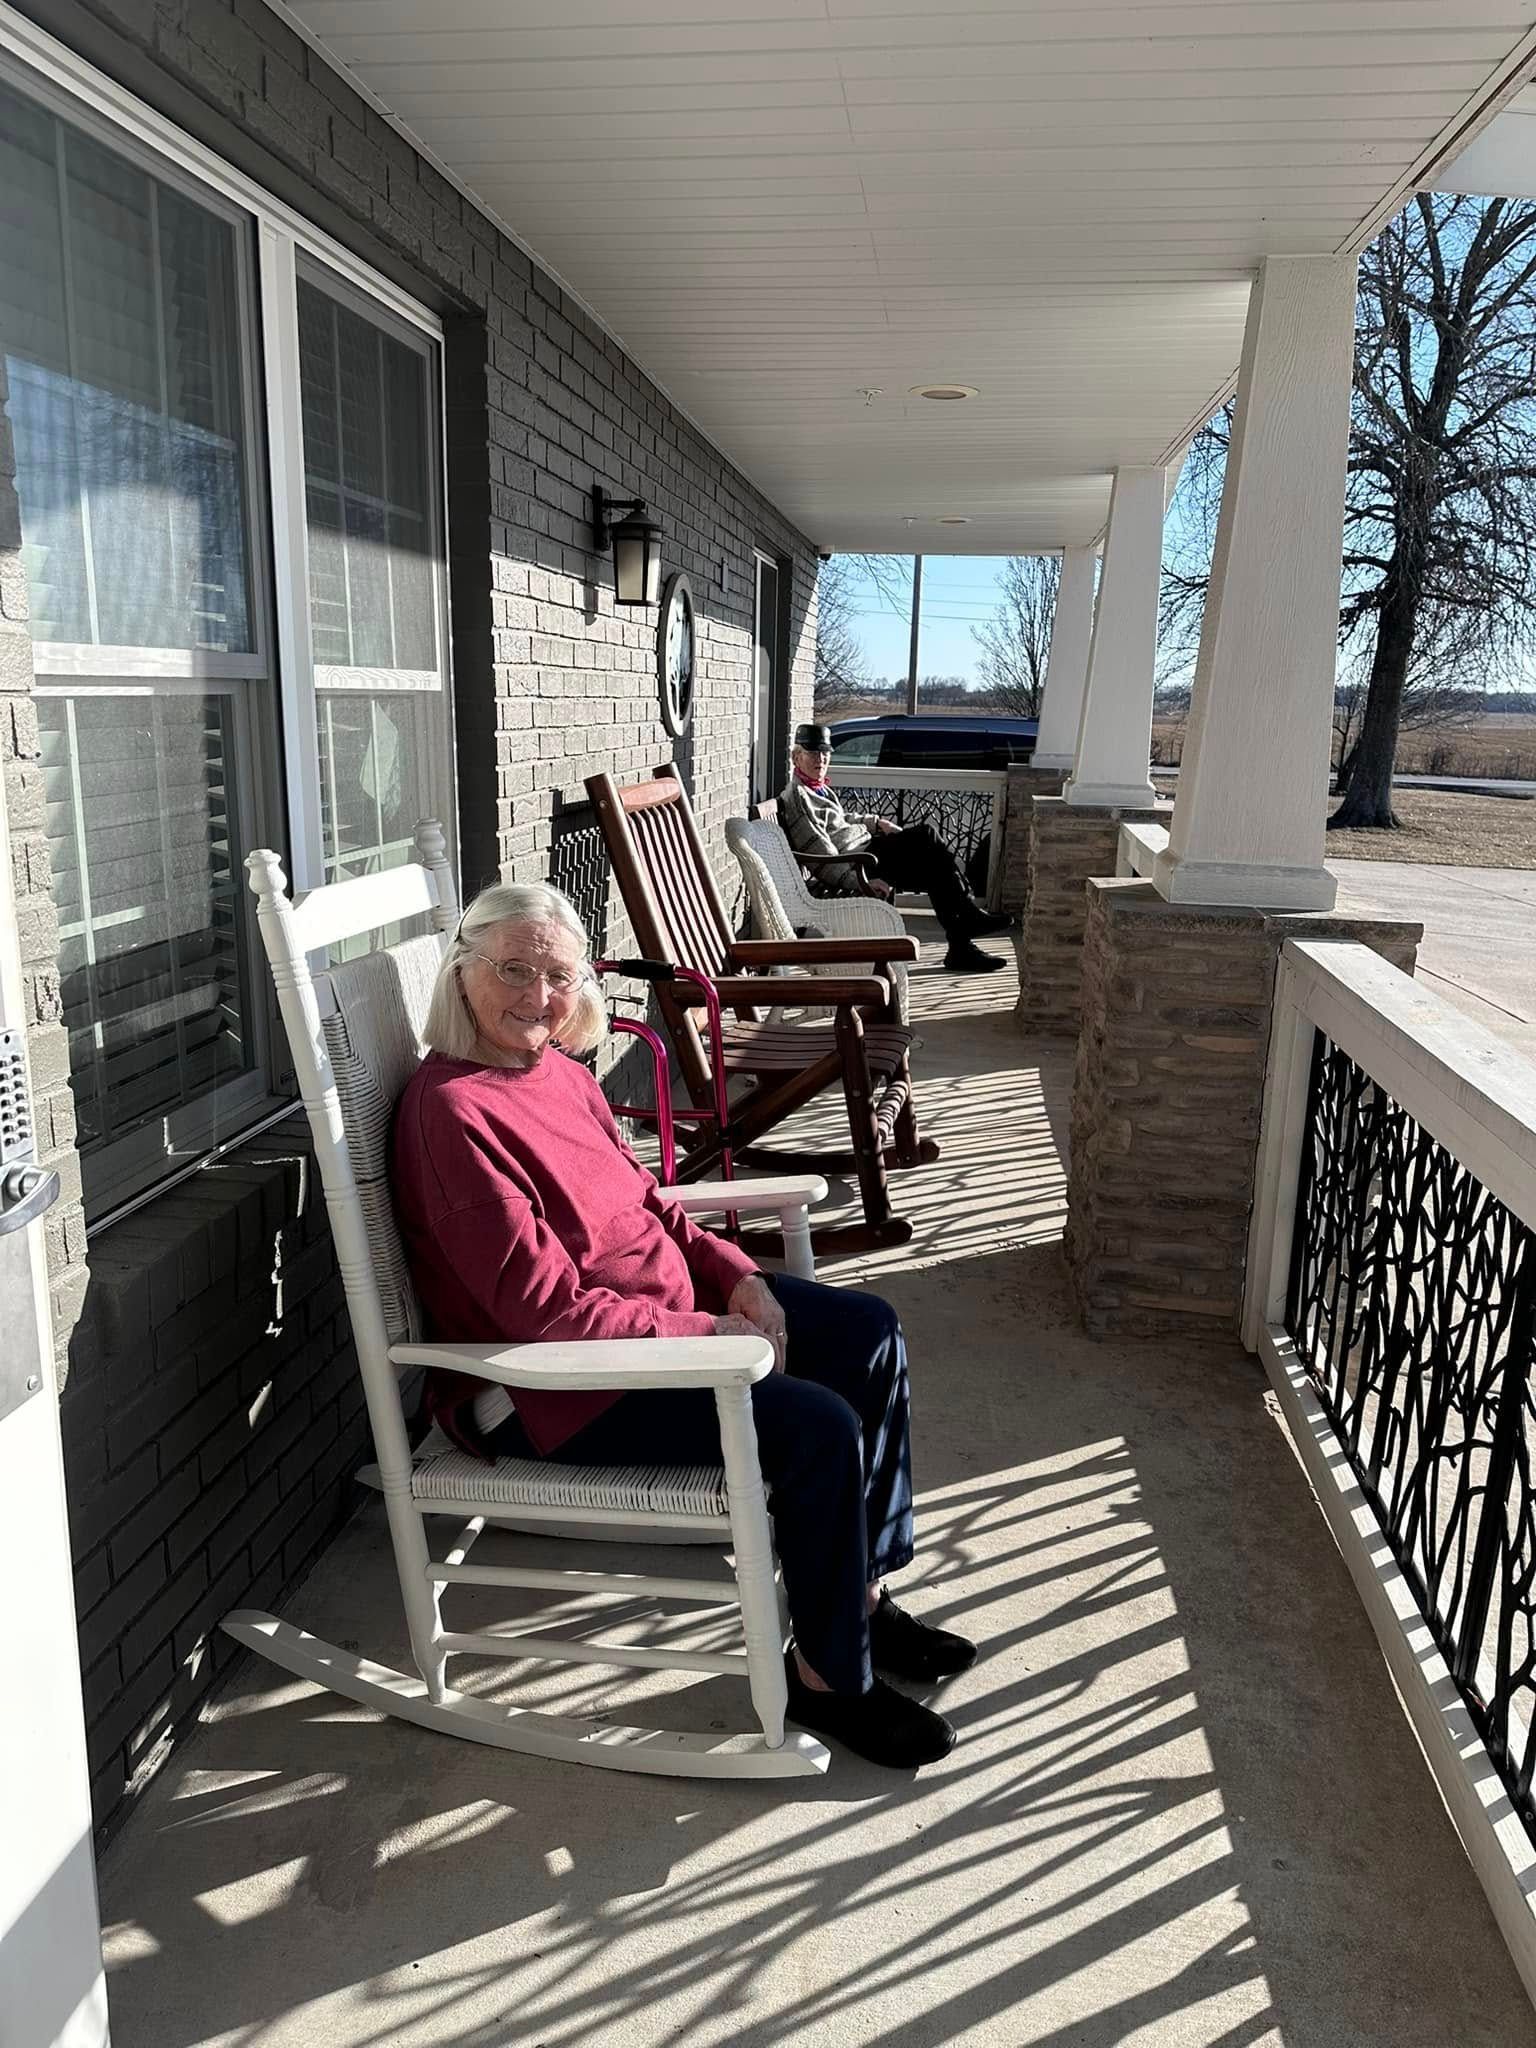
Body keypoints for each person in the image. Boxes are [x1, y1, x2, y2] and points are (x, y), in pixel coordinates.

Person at [390, 879, 976, 1770]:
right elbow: (545, 1317)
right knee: (819, 1427)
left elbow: (650, 1211)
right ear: (462, 972)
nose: (537, 998)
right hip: (556, 1391)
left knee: (868, 1331)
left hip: (659, 1333)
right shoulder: (451, 1115)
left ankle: (852, 1598)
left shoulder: (558, 1072)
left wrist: (740, 1283)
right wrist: (706, 1336)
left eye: (557, 975)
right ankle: (832, 1683)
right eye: (512, 970)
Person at [778, 723, 1012, 973]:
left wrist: (875, 822)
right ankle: (967, 922)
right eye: (813, 753)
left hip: (866, 851)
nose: (821, 759)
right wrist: (860, 882)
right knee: (927, 837)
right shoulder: (799, 798)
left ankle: (962, 944)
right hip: (861, 862)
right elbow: (820, 857)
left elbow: (841, 821)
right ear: (796, 756)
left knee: (935, 870)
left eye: (825, 753)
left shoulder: (816, 787)